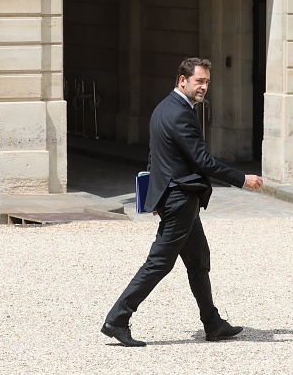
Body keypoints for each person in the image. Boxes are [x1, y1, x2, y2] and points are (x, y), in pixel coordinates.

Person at [101, 57, 264, 347]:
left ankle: (212, 324)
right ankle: (117, 319)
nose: (204, 87)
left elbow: (157, 157)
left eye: (207, 82)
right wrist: (242, 179)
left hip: (177, 197)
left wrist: (154, 197)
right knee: (159, 264)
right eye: (199, 81)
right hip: (180, 199)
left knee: (199, 260)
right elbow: (202, 160)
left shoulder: (164, 108)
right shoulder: (180, 114)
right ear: (182, 81)